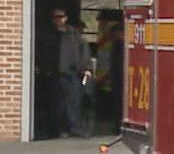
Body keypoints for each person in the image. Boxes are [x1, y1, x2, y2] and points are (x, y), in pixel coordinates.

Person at [42, 9, 93, 138]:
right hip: (54, 74)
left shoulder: (74, 34)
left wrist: (87, 68)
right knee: (56, 104)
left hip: (73, 73)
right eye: (56, 17)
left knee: (74, 102)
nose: (59, 19)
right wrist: (44, 69)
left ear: (66, 17)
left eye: (61, 16)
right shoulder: (48, 35)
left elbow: (84, 52)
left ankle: (74, 128)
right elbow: (41, 53)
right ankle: (56, 130)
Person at [94, 10, 125, 133]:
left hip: (121, 80)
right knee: (116, 104)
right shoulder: (112, 47)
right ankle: (117, 126)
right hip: (114, 79)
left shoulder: (124, 48)